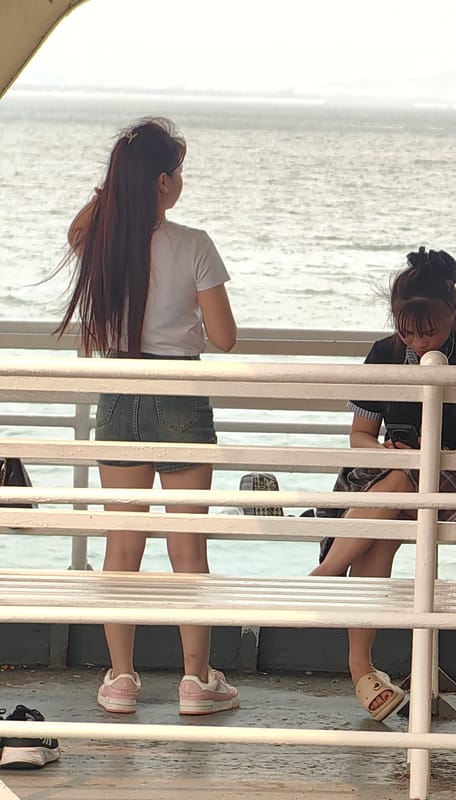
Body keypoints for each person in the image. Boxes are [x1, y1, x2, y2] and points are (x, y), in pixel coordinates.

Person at [55, 117, 239, 716]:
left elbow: (77, 228)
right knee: (188, 546)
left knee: (122, 545)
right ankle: (195, 682)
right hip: (180, 395)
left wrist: (116, 191)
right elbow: (225, 337)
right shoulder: (194, 244)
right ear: (162, 181)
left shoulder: (104, 243)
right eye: (177, 171)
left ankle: (121, 679)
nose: (182, 181)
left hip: (117, 396)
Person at [311, 247, 456, 722]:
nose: (420, 342)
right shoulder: (384, 354)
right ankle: (361, 668)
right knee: (380, 534)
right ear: (396, 320)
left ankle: (325, 580)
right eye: (409, 331)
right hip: (392, 476)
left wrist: (432, 457)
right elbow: (361, 435)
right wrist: (385, 454)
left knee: (401, 486)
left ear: (453, 314)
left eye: (431, 332)